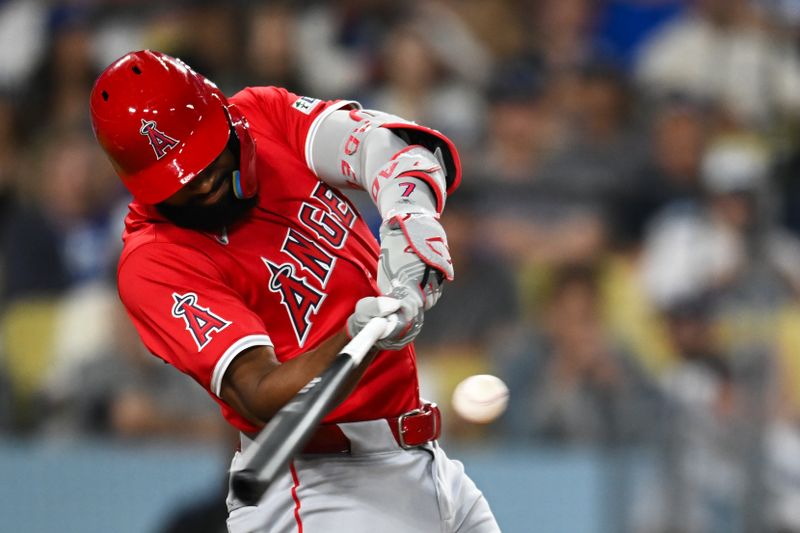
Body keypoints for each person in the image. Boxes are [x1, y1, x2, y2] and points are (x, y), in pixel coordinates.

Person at [89, 50, 499, 533]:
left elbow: (390, 146)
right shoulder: (153, 261)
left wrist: (409, 220)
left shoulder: (264, 114)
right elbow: (260, 393)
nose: (203, 187)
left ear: (223, 116)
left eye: (207, 160)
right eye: (181, 182)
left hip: (425, 459)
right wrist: (355, 334)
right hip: (318, 487)